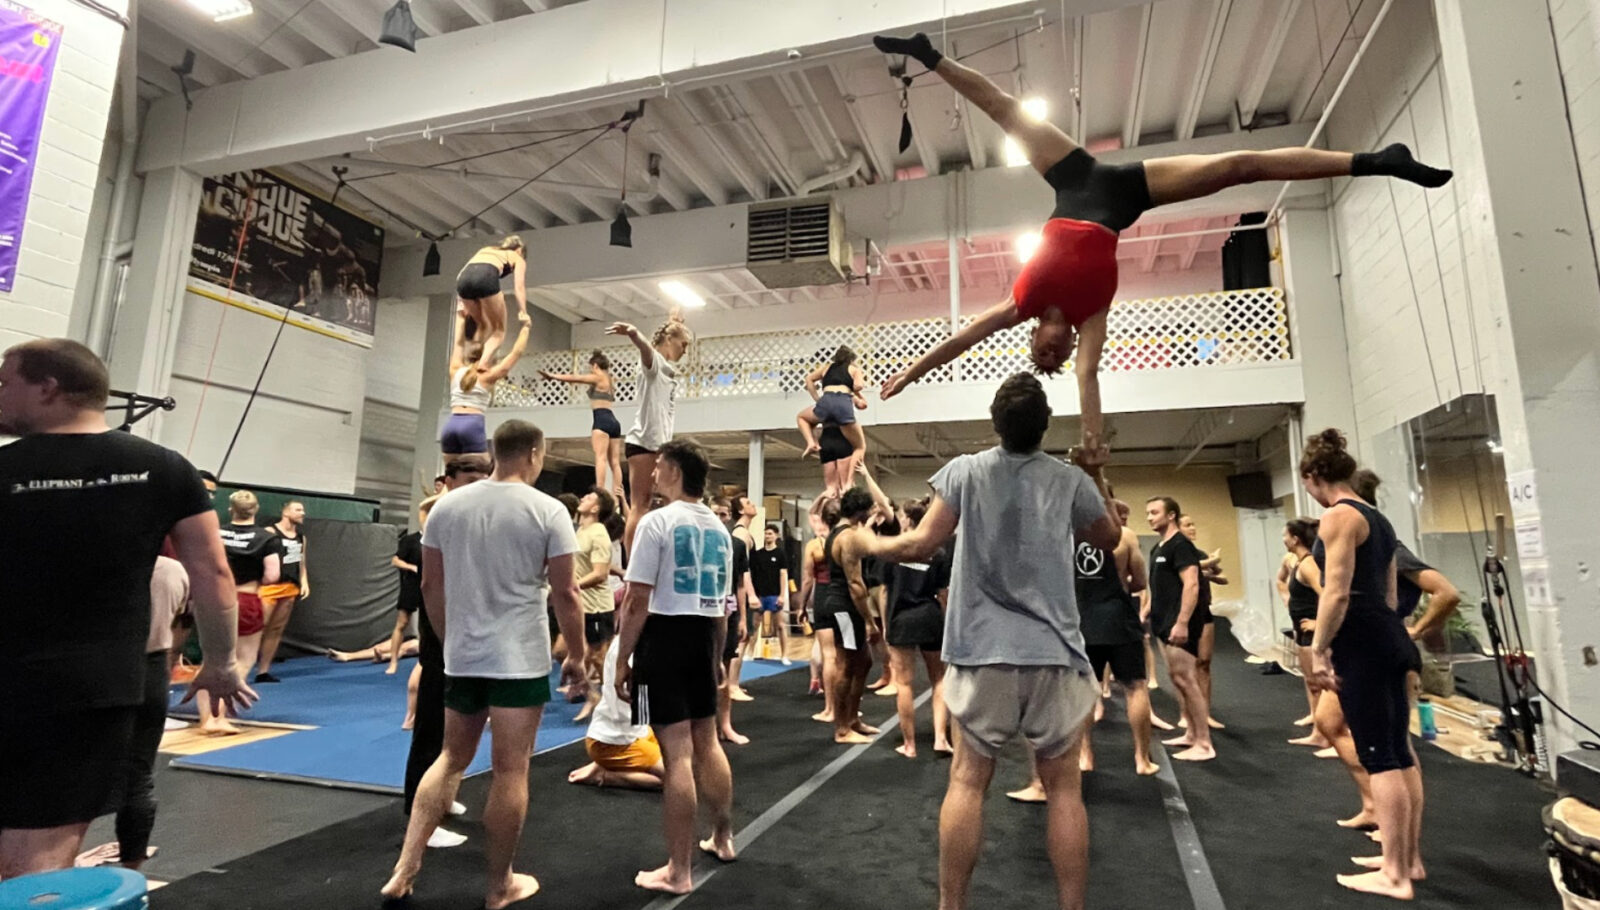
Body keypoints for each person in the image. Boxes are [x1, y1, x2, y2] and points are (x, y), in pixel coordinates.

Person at [873, 32, 1453, 461]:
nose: (1052, 355)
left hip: (1072, 180)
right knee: (1241, 169)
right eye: (1057, 357)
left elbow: (958, 340)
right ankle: (1376, 163)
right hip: (1124, 199)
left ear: (1035, 337)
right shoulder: (1091, 317)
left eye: (1042, 356)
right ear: (1068, 341)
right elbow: (1089, 380)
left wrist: (909, 374)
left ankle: (929, 55)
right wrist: (1094, 447)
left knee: (1004, 111)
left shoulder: (1018, 304)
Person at [0, 338, 252, 878]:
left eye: (4, 383)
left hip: (47, 682)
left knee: (25, 845)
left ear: (48, 388)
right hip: (91, 687)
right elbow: (213, 575)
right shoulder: (162, 468)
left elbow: (211, 574)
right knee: (42, 848)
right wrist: (221, 662)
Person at [868, 372, 1119, 910]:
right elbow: (1110, 538)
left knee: (966, 782)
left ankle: (950, 906)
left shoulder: (964, 472)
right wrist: (1099, 474)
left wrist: (868, 540)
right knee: (1065, 790)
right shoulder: (1071, 480)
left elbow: (921, 542)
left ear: (995, 424)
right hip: (1054, 653)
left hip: (983, 654)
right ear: (1045, 426)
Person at [380, 421, 587, 909]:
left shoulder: (445, 508)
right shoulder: (549, 509)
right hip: (517, 657)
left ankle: (405, 867)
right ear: (534, 453)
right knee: (510, 770)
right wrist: (577, 655)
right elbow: (567, 592)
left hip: (465, 655)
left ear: (494, 452)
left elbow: (432, 587)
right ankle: (499, 886)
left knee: (450, 758)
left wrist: (454, 643)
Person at [1299, 430, 1423, 900]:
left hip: (1364, 643)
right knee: (1399, 749)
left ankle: (1393, 874)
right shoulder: (1379, 518)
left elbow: (1335, 590)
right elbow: (1390, 595)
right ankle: (1408, 859)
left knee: (1380, 757)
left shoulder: (1337, 517)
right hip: (1389, 636)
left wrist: (1321, 647)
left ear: (1313, 477)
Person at [614, 440, 737, 895]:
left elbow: (637, 601)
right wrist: (717, 657)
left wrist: (622, 658)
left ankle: (678, 869)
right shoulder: (720, 531)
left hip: (662, 639)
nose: (652, 474)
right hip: (702, 634)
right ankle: (723, 836)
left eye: (658, 466)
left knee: (677, 754)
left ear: (674, 471)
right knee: (707, 742)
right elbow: (723, 608)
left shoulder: (656, 523)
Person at [75, 554, 191, 870]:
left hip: (104, 668)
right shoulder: (173, 570)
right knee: (138, 776)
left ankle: (54, 864)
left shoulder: (99, 565)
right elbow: (181, 623)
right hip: (152, 668)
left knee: (76, 774)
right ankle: (132, 871)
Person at [402, 454, 490, 852]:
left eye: (482, 478)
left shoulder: (473, 518)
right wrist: (444, 635)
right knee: (431, 728)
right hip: (443, 637)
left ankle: (437, 796)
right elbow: (431, 586)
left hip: (466, 633)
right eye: (469, 477)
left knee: (455, 730)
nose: (477, 484)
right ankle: (420, 816)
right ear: (448, 480)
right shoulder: (440, 518)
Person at [611, 309, 693, 555]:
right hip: (645, 442)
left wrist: (674, 323)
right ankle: (633, 561)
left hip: (658, 443)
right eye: (684, 344)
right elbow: (647, 351)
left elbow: (667, 337)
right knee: (640, 504)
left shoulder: (665, 365)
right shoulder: (654, 362)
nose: (685, 350)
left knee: (668, 499)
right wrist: (634, 334)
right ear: (669, 341)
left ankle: (659, 551)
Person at [202, 490, 283, 734]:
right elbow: (272, 576)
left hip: (215, 598)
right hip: (246, 598)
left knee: (211, 660)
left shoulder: (216, 533)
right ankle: (221, 716)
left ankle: (206, 718)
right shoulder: (267, 538)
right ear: (256, 509)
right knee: (242, 660)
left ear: (230, 509)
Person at [1144, 496, 1215, 761]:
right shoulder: (1157, 548)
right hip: (1163, 622)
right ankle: (1193, 735)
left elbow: (1192, 584)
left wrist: (1183, 622)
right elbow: (1158, 588)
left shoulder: (1181, 546)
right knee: (1177, 678)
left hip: (1179, 623)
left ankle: (1205, 743)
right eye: (1148, 513)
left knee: (1187, 679)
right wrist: (1144, 613)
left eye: (1154, 512)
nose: (1149, 517)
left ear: (1171, 515)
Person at [880, 496, 952, 759]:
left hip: (902, 618)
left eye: (901, 515)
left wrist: (886, 623)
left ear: (909, 520)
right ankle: (940, 739)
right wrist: (946, 622)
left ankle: (909, 745)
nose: (898, 519)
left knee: (904, 683)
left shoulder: (894, 550)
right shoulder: (938, 551)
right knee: (939, 679)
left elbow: (885, 592)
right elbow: (943, 594)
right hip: (929, 615)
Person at [820, 488, 885, 744]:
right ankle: (842, 729)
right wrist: (869, 621)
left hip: (844, 606)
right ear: (861, 511)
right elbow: (855, 585)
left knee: (864, 662)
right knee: (846, 664)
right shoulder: (847, 538)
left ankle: (852, 719)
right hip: (844, 608)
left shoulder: (841, 531)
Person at [568, 641, 665, 791]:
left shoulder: (625, 643)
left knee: (683, 763)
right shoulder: (636, 655)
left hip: (633, 731)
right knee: (675, 777)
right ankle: (605, 775)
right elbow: (647, 706)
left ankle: (604, 763)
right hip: (617, 742)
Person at [442, 310, 532, 460]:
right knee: (480, 472)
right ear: (487, 358)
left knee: (451, 474)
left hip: (451, 423)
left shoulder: (455, 369)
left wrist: (460, 318)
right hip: (472, 424)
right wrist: (526, 328)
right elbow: (516, 352)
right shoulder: (487, 377)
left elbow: (458, 344)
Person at [540, 352, 624, 496]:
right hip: (614, 421)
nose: (590, 370)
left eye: (591, 367)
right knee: (615, 461)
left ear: (595, 365)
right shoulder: (610, 380)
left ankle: (600, 490)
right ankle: (618, 493)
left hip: (601, 419)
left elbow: (576, 378)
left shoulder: (598, 377)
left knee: (600, 457)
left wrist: (553, 376)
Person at [1282, 519, 1331, 751]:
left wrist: (1317, 622)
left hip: (1314, 633)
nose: (1283, 539)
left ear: (1295, 539)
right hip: (1301, 631)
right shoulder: (1297, 563)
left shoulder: (1309, 564)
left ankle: (1330, 733)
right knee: (1312, 683)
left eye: (1285, 535)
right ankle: (1318, 731)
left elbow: (1327, 595)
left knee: (1322, 685)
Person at [1178, 514, 1226, 731]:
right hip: (1183, 616)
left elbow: (1217, 575)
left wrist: (1211, 574)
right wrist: (1211, 563)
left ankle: (1204, 714)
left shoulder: (1200, 554)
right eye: (1188, 525)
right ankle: (1186, 714)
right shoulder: (1176, 553)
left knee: (1204, 664)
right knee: (1184, 668)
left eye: (1193, 523)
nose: (1192, 528)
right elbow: (1193, 568)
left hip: (1204, 612)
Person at [573, 488, 617, 724]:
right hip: (579, 606)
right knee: (562, 651)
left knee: (599, 659)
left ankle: (615, 702)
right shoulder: (580, 530)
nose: (582, 498)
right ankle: (592, 695)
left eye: (588, 497)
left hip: (597, 607)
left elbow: (600, 574)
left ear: (596, 509)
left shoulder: (599, 534)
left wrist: (571, 587)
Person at [256, 499, 310, 683]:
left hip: (290, 587)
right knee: (257, 628)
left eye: (303, 510)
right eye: (298, 509)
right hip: (269, 588)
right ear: (286, 512)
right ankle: (240, 666)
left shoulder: (301, 537)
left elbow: (302, 562)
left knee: (276, 629)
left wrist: (304, 582)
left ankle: (263, 671)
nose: (302, 513)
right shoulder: (270, 533)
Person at [455, 235, 528, 370]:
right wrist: (523, 312)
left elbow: (461, 274)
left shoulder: (486, 249)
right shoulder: (518, 257)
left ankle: (468, 360)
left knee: (480, 325)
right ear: (519, 250)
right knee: (498, 331)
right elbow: (519, 286)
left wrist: (460, 303)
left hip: (463, 282)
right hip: (485, 277)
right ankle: (482, 363)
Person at [797, 346, 869, 473]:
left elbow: (808, 379)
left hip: (826, 400)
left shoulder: (827, 367)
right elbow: (858, 386)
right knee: (860, 447)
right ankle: (856, 471)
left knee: (802, 417)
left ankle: (811, 443)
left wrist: (817, 398)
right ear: (851, 359)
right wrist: (854, 392)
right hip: (842, 402)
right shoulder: (854, 369)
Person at [801, 496, 838, 701]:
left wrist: (802, 606)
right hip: (839, 593)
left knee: (821, 642)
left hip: (821, 592)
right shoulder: (842, 537)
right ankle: (838, 696)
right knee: (838, 649)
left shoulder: (816, 540)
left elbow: (807, 579)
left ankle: (816, 680)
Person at [725, 493, 758, 703]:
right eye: (748, 503)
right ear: (739, 510)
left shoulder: (745, 532)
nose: (753, 505)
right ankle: (732, 685)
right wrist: (751, 595)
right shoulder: (741, 535)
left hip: (743, 591)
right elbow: (742, 572)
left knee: (744, 639)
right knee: (741, 639)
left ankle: (733, 683)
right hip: (741, 592)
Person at [746, 524, 792, 665]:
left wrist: (782, 595)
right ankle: (749, 653)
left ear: (776, 536)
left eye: (770, 534)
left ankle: (784, 655)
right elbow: (751, 574)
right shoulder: (758, 555)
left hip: (774, 594)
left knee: (780, 625)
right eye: (766, 533)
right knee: (754, 626)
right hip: (760, 595)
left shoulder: (780, 554)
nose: (767, 536)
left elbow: (783, 575)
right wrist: (753, 595)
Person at [818, 425, 854, 498]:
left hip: (826, 437)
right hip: (843, 435)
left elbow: (803, 418)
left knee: (831, 489)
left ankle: (832, 497)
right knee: (845, 485)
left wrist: (811, 440)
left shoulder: (821, 413)